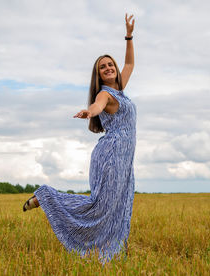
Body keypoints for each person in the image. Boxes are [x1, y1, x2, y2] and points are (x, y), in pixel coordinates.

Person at [23, 13, 136, 262]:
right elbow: (97, 106)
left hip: (125, 160)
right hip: (112, 155)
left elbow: (129, 65)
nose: (108, 68)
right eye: (102, 67)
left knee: (121, 205)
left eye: (110, 64)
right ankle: (46, 196)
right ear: (98, 75)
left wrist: (128, 36)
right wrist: (89, 112)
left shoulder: (121, 88)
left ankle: (114, 249)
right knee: (101, 206)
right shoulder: (106, 95)